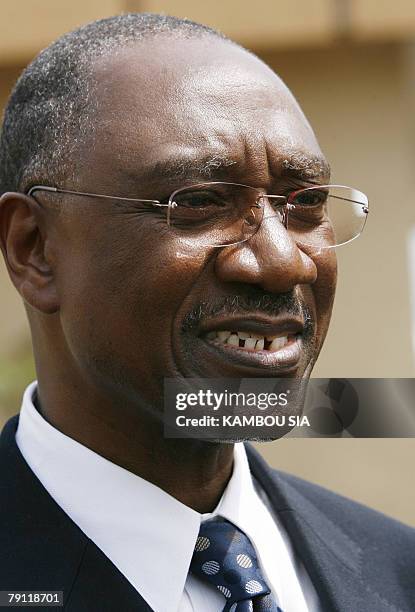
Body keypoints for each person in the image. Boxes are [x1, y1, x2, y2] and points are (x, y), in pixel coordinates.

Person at [0, 12, 413, 612]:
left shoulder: (396, 572)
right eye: (198, 202)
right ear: (34, 249)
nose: (282, 262)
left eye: (308, 204)